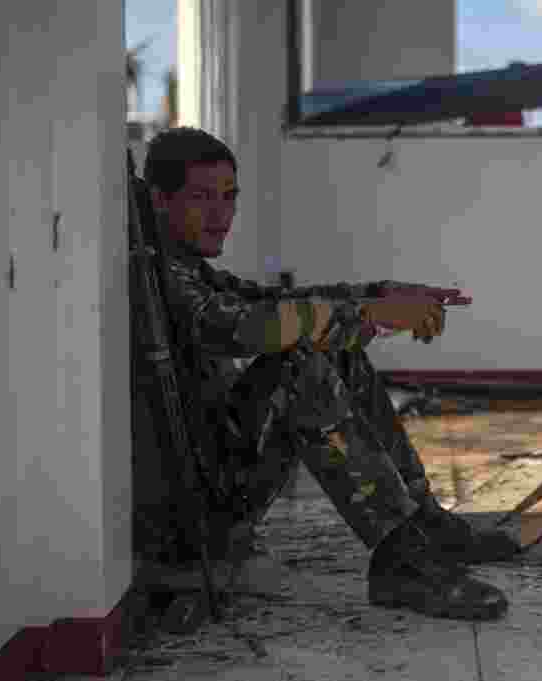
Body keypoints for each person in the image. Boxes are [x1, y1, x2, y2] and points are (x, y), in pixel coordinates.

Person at [134, 126, 518, 621]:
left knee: (337, 352)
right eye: (202, 198)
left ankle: (423, 526)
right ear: (160, 201)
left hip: (216, 470)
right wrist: (375, 314)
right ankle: (403, 562)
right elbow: (244, 328)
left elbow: (270, 302)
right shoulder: (160, 273)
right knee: (299, 361)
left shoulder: (186, 265)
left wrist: (381, 295)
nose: (221, 214)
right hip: (192, 511)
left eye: (229, 197)